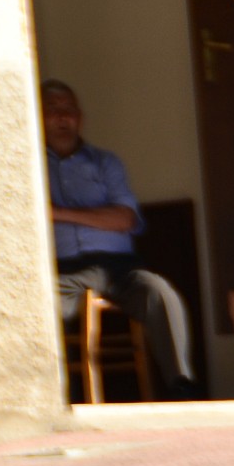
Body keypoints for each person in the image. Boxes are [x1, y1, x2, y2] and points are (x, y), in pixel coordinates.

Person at [41, 81, 199, 398]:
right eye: (53, 110)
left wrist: (58, 213)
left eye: (69, 110)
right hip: (63, 272)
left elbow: (124, 219)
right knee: (35, 308)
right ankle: (51, 395)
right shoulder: (30, 164)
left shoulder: (105, 162)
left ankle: (182, 385)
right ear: (39, 116)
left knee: (160, 292)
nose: (63, 118)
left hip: (119, 269)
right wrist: (97, 215)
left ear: (80, 118)